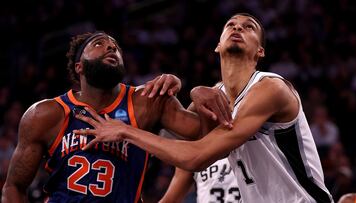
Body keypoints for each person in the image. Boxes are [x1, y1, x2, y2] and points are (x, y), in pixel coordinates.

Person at [74, 13, 334, 203]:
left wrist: (125, 131)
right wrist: (184, 90)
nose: (237, 28)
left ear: (260, 51)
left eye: (248, 27)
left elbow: (197, 155)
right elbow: (185, 151)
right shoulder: (214, 96)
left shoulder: (270, 88)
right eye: (230, 25)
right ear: (218, 45)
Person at [1, 31, 231, 202]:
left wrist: (198, 93)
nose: (111, 48)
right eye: (99, 44)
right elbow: (14, 187)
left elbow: (208, 142)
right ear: (79, 67)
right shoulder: (45, 114)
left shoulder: (148, 101)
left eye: (115, 47)